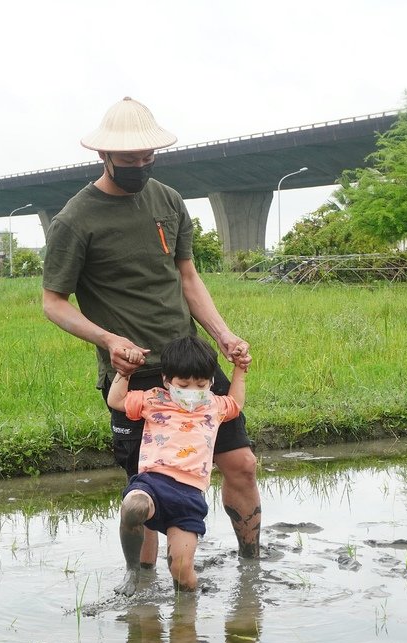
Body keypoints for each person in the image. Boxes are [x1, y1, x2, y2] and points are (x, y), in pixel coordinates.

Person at [41, 96, 262, 564]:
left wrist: (222, 334)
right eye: (130, 160)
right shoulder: (75, 220)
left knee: (241, 465)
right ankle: (140, 591)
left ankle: (252, 568)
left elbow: (187, 276)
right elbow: (53, 303)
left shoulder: (168, 200)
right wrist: (108, 339)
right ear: (104, 157)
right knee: (146, 492)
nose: (140, 167)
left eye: (147, 158)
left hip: (192, 365)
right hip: (135, 372)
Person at [107, 335, 248, 595]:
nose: (192, 391)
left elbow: (236, 403)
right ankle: (133, 570)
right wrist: (124, 373)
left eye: (201, 384)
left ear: (211, 382)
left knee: (182, 573)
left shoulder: (214, 405)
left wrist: (240, 368)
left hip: (189, 497)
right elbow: (116, 401)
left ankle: (186, 624)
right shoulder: (154, 399)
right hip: (152, 482)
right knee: (133, 506)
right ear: (167, 381)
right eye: (183, 384)